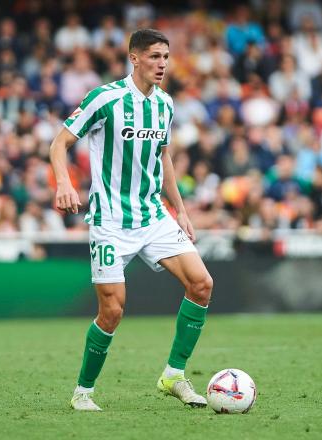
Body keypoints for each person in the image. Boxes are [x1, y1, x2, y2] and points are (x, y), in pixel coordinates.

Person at [49, 29, 213, 412]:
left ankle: (173, 374)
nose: (162, 64)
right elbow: (59, 143)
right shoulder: (105, 98)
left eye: (166, 57)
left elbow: (163, 157)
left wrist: (181, 210)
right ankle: (83, 391)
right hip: (110, 221)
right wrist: (64, 183)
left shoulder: (166, 105)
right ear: (134, 58)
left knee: (202, 284)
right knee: (113, 311)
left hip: (153, 215)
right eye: (155, 56)